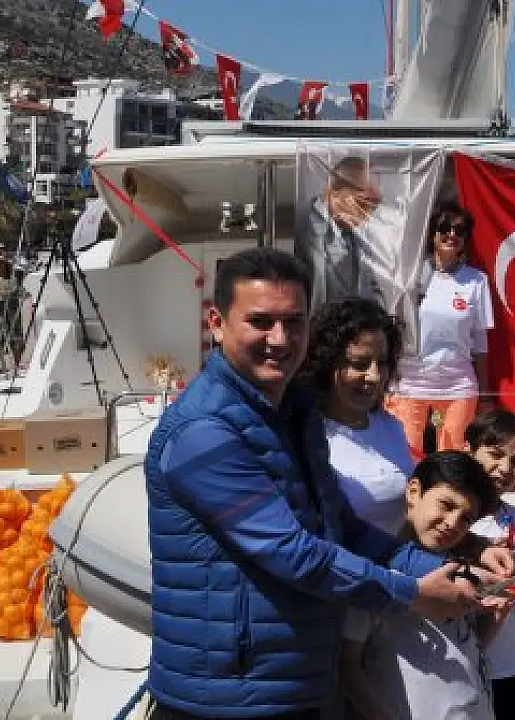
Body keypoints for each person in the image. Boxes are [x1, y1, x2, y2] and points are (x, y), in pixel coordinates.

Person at [145, 248, 487, 720]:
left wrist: (458, 567)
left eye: (294, 322)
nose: (279, 339)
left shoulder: (297, 413)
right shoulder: (203, 432)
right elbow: (293, 554)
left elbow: (341, 526)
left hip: (295, 685)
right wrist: (412, 594)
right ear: (217, 324)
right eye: (260, 321)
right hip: (226, 699)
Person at [350, 451, 503, 720]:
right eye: (446, 505)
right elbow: (348, 664)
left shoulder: (460, 565)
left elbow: (467, 647)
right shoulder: (374, 571)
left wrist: (495, 618)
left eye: (466, 518)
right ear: (413, 493)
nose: (452, 523)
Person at [387, 201, 494, 457]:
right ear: (431, 234)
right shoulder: (407, 277)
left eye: (460, 230)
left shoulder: (477, 280)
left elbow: (480, 342)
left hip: (457, 384)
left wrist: (485, 394)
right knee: (405, 457)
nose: (452, 235)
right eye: (444, 228)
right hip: (409, 381)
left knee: (453, 458)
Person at [465, 409, 515, 720]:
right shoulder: (450, 518)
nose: (504, 468)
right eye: (495, 455)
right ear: (469, 451)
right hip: (457, 662)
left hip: (507, 666)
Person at [294, 155, 385, 311]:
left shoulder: (357, 233)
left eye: (374, 206)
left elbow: (370, 286)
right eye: (362, 203)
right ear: (335, 193)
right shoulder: (308, 228)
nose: (368, 214)